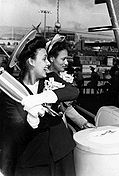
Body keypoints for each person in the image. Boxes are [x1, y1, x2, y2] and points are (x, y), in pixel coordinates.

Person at [1, 33, 78, 176]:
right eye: (44, 59)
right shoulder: (13, 93)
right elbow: (11, 135)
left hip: (61, 152)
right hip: (33, 160)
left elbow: (72, 91)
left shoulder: (50, 79)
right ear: (31, 61)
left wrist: (43, 97)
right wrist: (30, 122)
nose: (48, 63)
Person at [46, 34, 94, 132]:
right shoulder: (47, 79)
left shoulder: (58, 77)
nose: (66, 63)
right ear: (51, 58)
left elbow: (66, 108)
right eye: (63, 59)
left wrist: (83, 123)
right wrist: (83, 123)